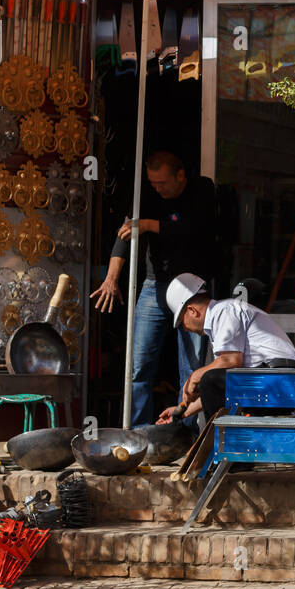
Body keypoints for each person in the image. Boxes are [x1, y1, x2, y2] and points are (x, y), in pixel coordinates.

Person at [91, 150, 217, 427]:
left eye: (162, 183)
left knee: (192, 365)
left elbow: (195, 229)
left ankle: (186, 431)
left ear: (180, 175)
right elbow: (124, 235)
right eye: (153, 183)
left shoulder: (202, 189)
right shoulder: (147, 195)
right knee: (138, 365)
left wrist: (147, 225)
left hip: (192, 289)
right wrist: (111, 278)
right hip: (155, 285)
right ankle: (136, 431)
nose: (157, 188)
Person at [155, 272, 295, 423]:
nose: (185, 328)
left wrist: (194, 376)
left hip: (281, 380)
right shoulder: (222, 316)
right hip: (276, 381)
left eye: (182, 321)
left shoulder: (224, 310)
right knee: (212, 380)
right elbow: (216, 389)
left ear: (192, 311)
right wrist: (181, 413)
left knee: (209, 378)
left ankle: (218, 439)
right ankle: (220, 437)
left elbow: (231, 361)